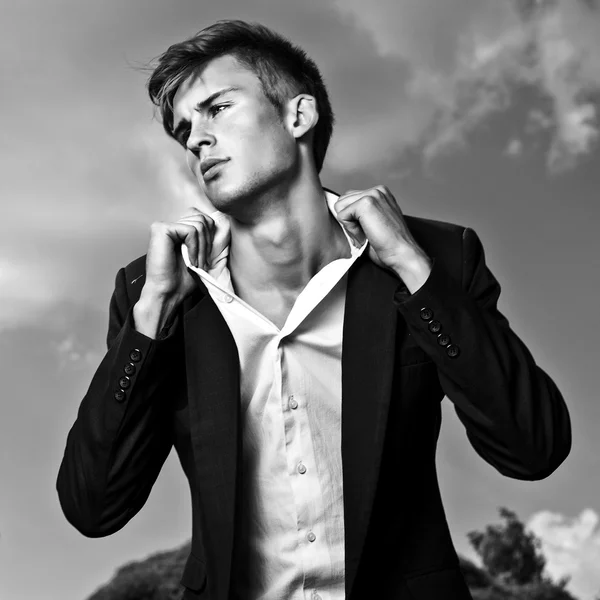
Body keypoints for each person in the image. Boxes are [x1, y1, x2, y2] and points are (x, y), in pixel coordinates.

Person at [56, 19, 572, 600]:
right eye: (183, 128)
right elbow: (92, 506)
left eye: (217, 108)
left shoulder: (437, 258)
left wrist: (409, 264)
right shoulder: (154, 289)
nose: (195, 138)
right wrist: (150, 318)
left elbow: (533, 448)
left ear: (299, 117)